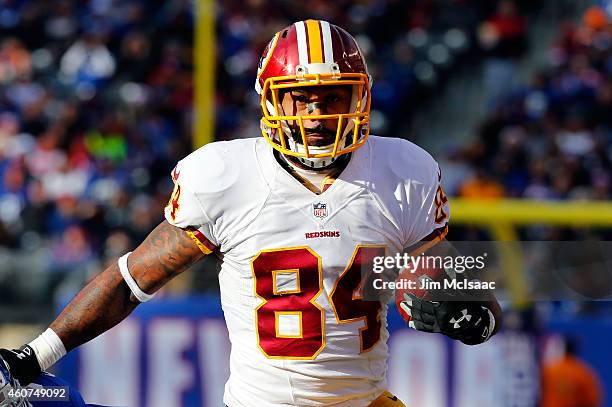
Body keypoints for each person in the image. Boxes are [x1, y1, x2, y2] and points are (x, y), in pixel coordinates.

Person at [1, 20, 501, 406]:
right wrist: (35, 356)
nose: (316, 114)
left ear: (361, 97)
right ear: (271, 102)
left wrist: (474, 314)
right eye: (301, 98)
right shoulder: (228, 176)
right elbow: (131, 279)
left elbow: (467, 286)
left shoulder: (403, 171)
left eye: (332, 97)